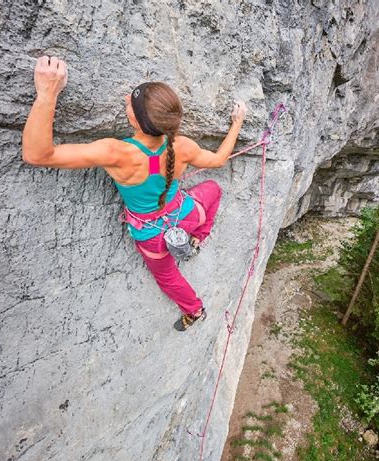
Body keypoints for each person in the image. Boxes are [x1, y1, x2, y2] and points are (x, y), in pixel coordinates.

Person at [22, 56, 248, 330]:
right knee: (213, 188)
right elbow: (219, 160)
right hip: (186, 215)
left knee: (167, 277)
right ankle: (198, 238)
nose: (128, 98)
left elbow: (37, 154)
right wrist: (237, 123)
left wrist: (47, 93)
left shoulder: (116, 153)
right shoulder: (184, 146)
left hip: (151, 235)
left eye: (131, 101)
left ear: (135, 118)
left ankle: (195, 310)